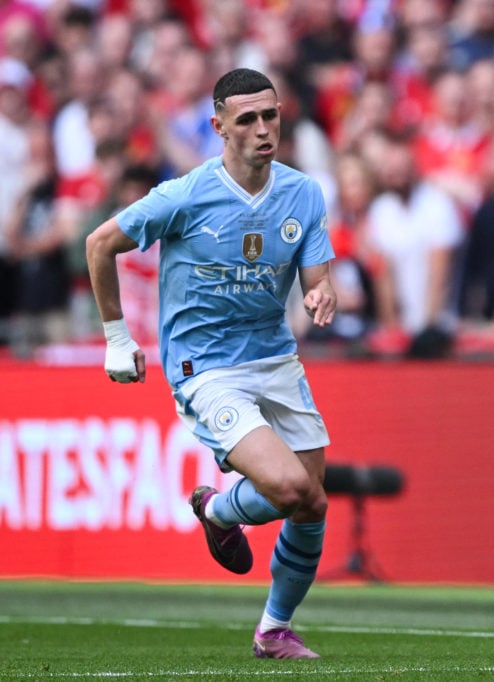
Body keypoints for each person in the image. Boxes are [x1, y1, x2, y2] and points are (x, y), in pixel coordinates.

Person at [85, 68, 337, 660]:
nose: (262, 129)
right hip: (207, 367)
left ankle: (273, 628)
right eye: (246, 119)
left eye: (269, 115)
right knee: (286, 486)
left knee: (313, 502)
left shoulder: (303, 193)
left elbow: (318, 276)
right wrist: (116, 337)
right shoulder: (185, 195)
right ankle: (219, 508)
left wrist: (322, 293)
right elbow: (100, 244)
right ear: (219, 126)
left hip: (276, 357)